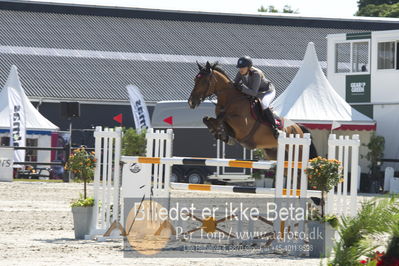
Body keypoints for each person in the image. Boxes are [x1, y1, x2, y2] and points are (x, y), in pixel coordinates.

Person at [233, 56, 278, 135]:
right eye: (239, 67)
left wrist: (242, 88)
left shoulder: (256, 74)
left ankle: (274, 127)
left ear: (249, 67)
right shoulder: (240, 73)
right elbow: (234, 84)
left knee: (264, 104)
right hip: (255, 92)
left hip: (267, 92)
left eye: (243, 67)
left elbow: (254, 93)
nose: (241, 69)